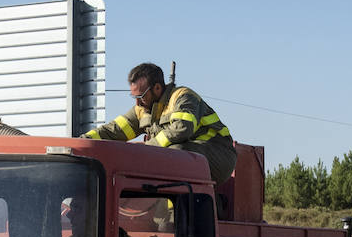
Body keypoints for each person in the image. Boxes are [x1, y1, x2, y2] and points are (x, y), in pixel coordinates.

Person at [83, 62, 238, 186]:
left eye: (141, 96)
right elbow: (112, 131)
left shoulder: (183, 97)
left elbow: (182, 129)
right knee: (166, 155)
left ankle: (173, 214)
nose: (137, 102)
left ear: (157, 88)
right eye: (134, 97)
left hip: (219, 155)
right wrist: (82, 141)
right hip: (192, 157)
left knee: (173, 153)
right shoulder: (142, 109)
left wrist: (145, 150)